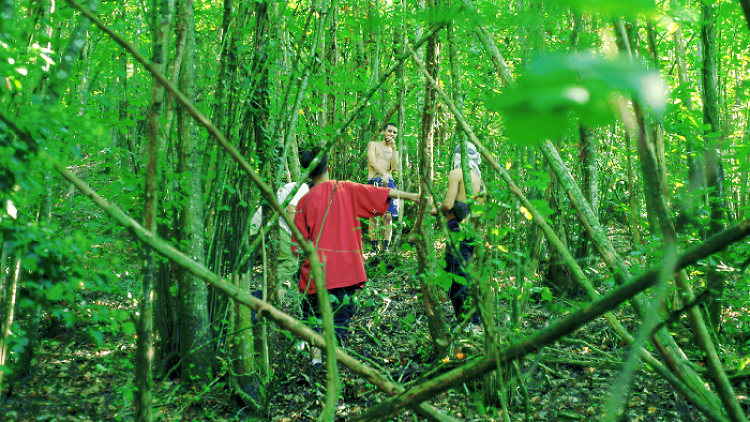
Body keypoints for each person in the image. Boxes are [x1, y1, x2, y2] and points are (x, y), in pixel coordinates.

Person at [294, 147, 423, 363]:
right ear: (328, 167)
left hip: (316, 272)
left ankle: (316, 362)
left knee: (314, 317)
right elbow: (382, 196)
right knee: (339, 318)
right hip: (345, 272)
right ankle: (332, 364)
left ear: (307, 173)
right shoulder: (345, 189)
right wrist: (414, 197)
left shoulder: (303, 202)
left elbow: (298, 245)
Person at [431, 142, 486, 334]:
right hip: (470, 233)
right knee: (459, 276)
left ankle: (472, 323)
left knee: (458, 278)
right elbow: (476, 210)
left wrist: (435, 209)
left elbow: (448, 203)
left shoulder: (456, 173)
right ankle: (467, 322)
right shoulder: (478, 178)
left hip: (457, 232)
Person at [366, 123, 399, 254]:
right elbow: (372, 162)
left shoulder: (392, 149)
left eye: (394, 132)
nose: (392, 134)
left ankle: (385, 248)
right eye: (389, 131)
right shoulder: (373, 144)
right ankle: (374, 247)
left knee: (388, 217)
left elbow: (394, 167)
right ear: (383, 132)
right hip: (374, 181)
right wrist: (383, 174)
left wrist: (394, 148)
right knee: (373, 215)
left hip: (389, 183)